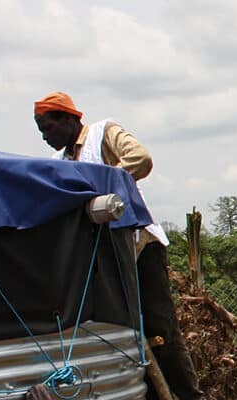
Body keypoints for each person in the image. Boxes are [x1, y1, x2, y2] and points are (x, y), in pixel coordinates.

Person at [33, 92, 203, 400]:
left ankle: (189, 395)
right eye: (41, 130)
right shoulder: (57, 163)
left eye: (48, 127)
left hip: (139, 246)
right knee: (124, 333)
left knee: (159, 328)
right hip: (102, 256)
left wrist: (101, 186)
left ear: (70, 119)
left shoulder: (103, 133)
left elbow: (141, 159)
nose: (45, 136)